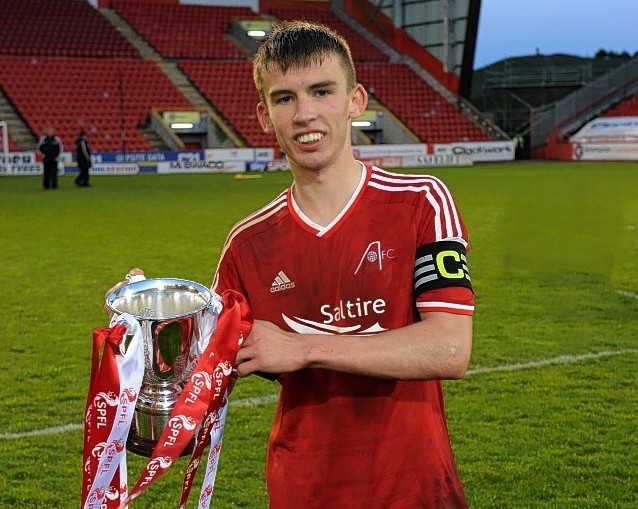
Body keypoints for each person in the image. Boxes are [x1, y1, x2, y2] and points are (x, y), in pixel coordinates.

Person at [112, 21, 474, 508]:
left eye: (322, 91)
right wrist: (151, 337)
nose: (305, 114)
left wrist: (303, 348)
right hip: (303, 492)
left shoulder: (422, 203)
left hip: (415, 490)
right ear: (264, 116)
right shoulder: (247, 244)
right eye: (285, 98)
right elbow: (201, 387)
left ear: (355, 101)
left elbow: (450, 349)